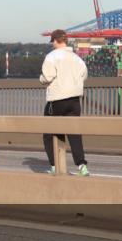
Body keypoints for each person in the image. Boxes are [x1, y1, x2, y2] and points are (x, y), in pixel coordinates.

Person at [39, 29, 89, 176]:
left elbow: (48, 77)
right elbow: (84, 75)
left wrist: (41, 79)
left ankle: (55, 166)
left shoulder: (51, 57)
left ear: (55, 41)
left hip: (57, 100)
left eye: (52, 42)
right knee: (74, 133)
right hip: (74, 100)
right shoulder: (77, 58)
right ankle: (81, 166)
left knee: (49, 133)